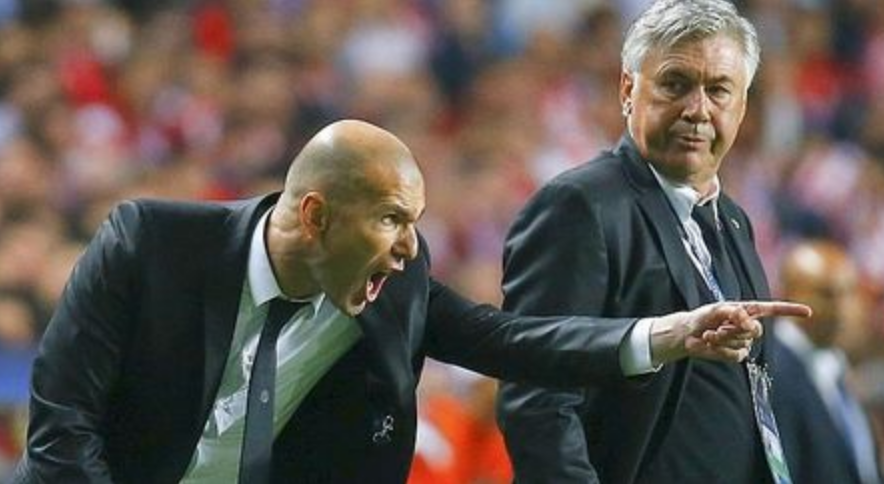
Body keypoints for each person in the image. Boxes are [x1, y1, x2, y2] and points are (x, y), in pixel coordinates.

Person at [11, 119, 807, 484]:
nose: (408, 247)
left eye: (416, 222)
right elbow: (63, 428)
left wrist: (664, 335)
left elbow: (508, 340)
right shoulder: (150, 245)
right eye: (392, 219)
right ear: (316, 215)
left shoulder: (393, 289)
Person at [496, 1, 793, 483]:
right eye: (675, 84)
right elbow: (538, 399)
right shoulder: (579, 206)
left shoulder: (734, 220)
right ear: (628, 90)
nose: (697, 110)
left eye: (718, 90)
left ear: (742, 107)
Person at [768, 240, 882, 484]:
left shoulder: (835, 366)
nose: (842, 308)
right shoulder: (774, 371)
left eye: (850, 292)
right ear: (788, 295)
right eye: (826, 294)